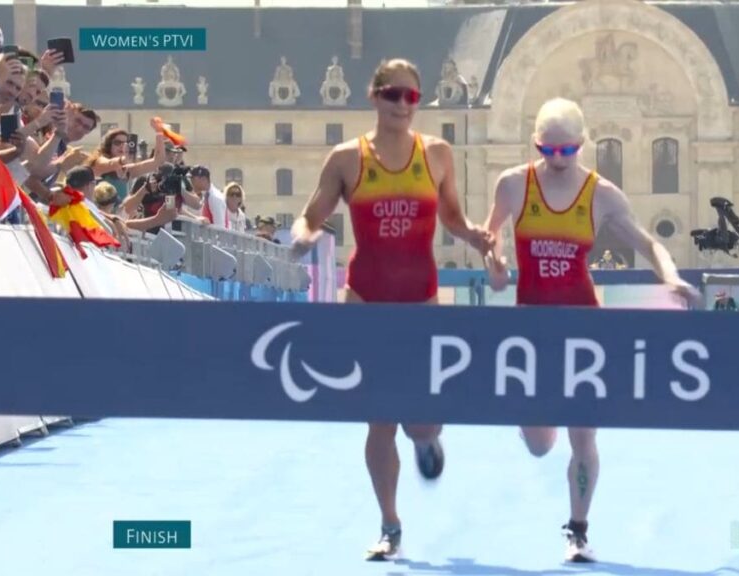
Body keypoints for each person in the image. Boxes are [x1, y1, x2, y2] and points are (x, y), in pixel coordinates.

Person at [289, 58, 493, 561]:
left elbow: (452, 216)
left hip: (421, 301)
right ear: (374, 96)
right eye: (393, 94)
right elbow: (312, 215)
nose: (403, 104)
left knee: (421, 422)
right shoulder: (347, 158)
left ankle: (426, 441)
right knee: (379, 418)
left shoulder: (438, 154)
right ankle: (390, 523)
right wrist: (301, 237)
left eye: (412, 96)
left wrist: (476, 237)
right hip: (366, 300)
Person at [483, 97, 697, 563]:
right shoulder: (514, 185)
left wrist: (672, 277)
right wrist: (495, 266)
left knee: (584, 436)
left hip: (584, 325)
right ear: (536, 143)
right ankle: (538, 428)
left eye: (567, 151)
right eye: (548, 150)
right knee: (541, 446)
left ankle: (577, 529)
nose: (557, 160)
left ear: (582, 145)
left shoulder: (601, 194)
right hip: (532, 326)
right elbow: (490, 234)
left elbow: (648, 243)